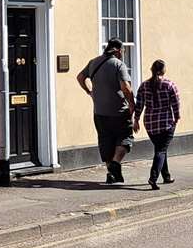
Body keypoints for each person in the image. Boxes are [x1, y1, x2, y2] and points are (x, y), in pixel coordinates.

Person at [76, 39, 136, 183]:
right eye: (122, 51)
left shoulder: (93, 62)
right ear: (117, 50)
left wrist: (88, 92)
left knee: (106, 142)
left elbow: (80, 77)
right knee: (125, 138)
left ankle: (112, 174)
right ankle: (115, 164)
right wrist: (132, 104)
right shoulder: (118, 65)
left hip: (100, 112)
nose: (122, 53)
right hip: (119, 112)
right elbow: (126, 87)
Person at [132, 59, 181, 190]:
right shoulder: (169, 85)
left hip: (150, 123)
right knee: (161, 150)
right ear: (163, 70)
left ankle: (166, 176)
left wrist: (136, 119)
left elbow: (139, 105)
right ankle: (153, 178)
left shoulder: (144, 86)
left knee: (160, 149)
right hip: (166, 123)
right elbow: (176, 103)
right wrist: (177, 117)